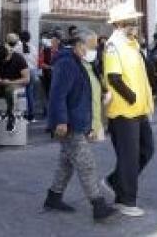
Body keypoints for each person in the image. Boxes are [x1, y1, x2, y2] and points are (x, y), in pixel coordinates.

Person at [43, 28, 116, 221]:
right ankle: (98, 205)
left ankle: (53, 197)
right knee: (86, 163)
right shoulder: (67, 63)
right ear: (79, 45)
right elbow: (58, 94)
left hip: (77, 120)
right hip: (69, 123)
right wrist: (60, 120)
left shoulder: (81, 62)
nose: (94, 50)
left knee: (66, 164)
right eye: (92, 46)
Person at [101, 3, 154, 218]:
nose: (135, 24)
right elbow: (114, 77)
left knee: (147, 150)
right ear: (119, 24)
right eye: (131, 21)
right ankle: (125, 200)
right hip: (124, 111)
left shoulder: (132, 44)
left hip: (139, 109)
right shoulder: (114, 45)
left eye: (135, 21)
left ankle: (115, 181)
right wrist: (131, 97)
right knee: (129, 157)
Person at [19, 31, 39, 120]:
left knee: (22, 94)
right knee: (30, 94)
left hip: (22, 72)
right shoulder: (34, 48)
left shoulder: (17, 48)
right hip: (32, 71)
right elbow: (36, 60)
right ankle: (32, 114)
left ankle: (23, 114)